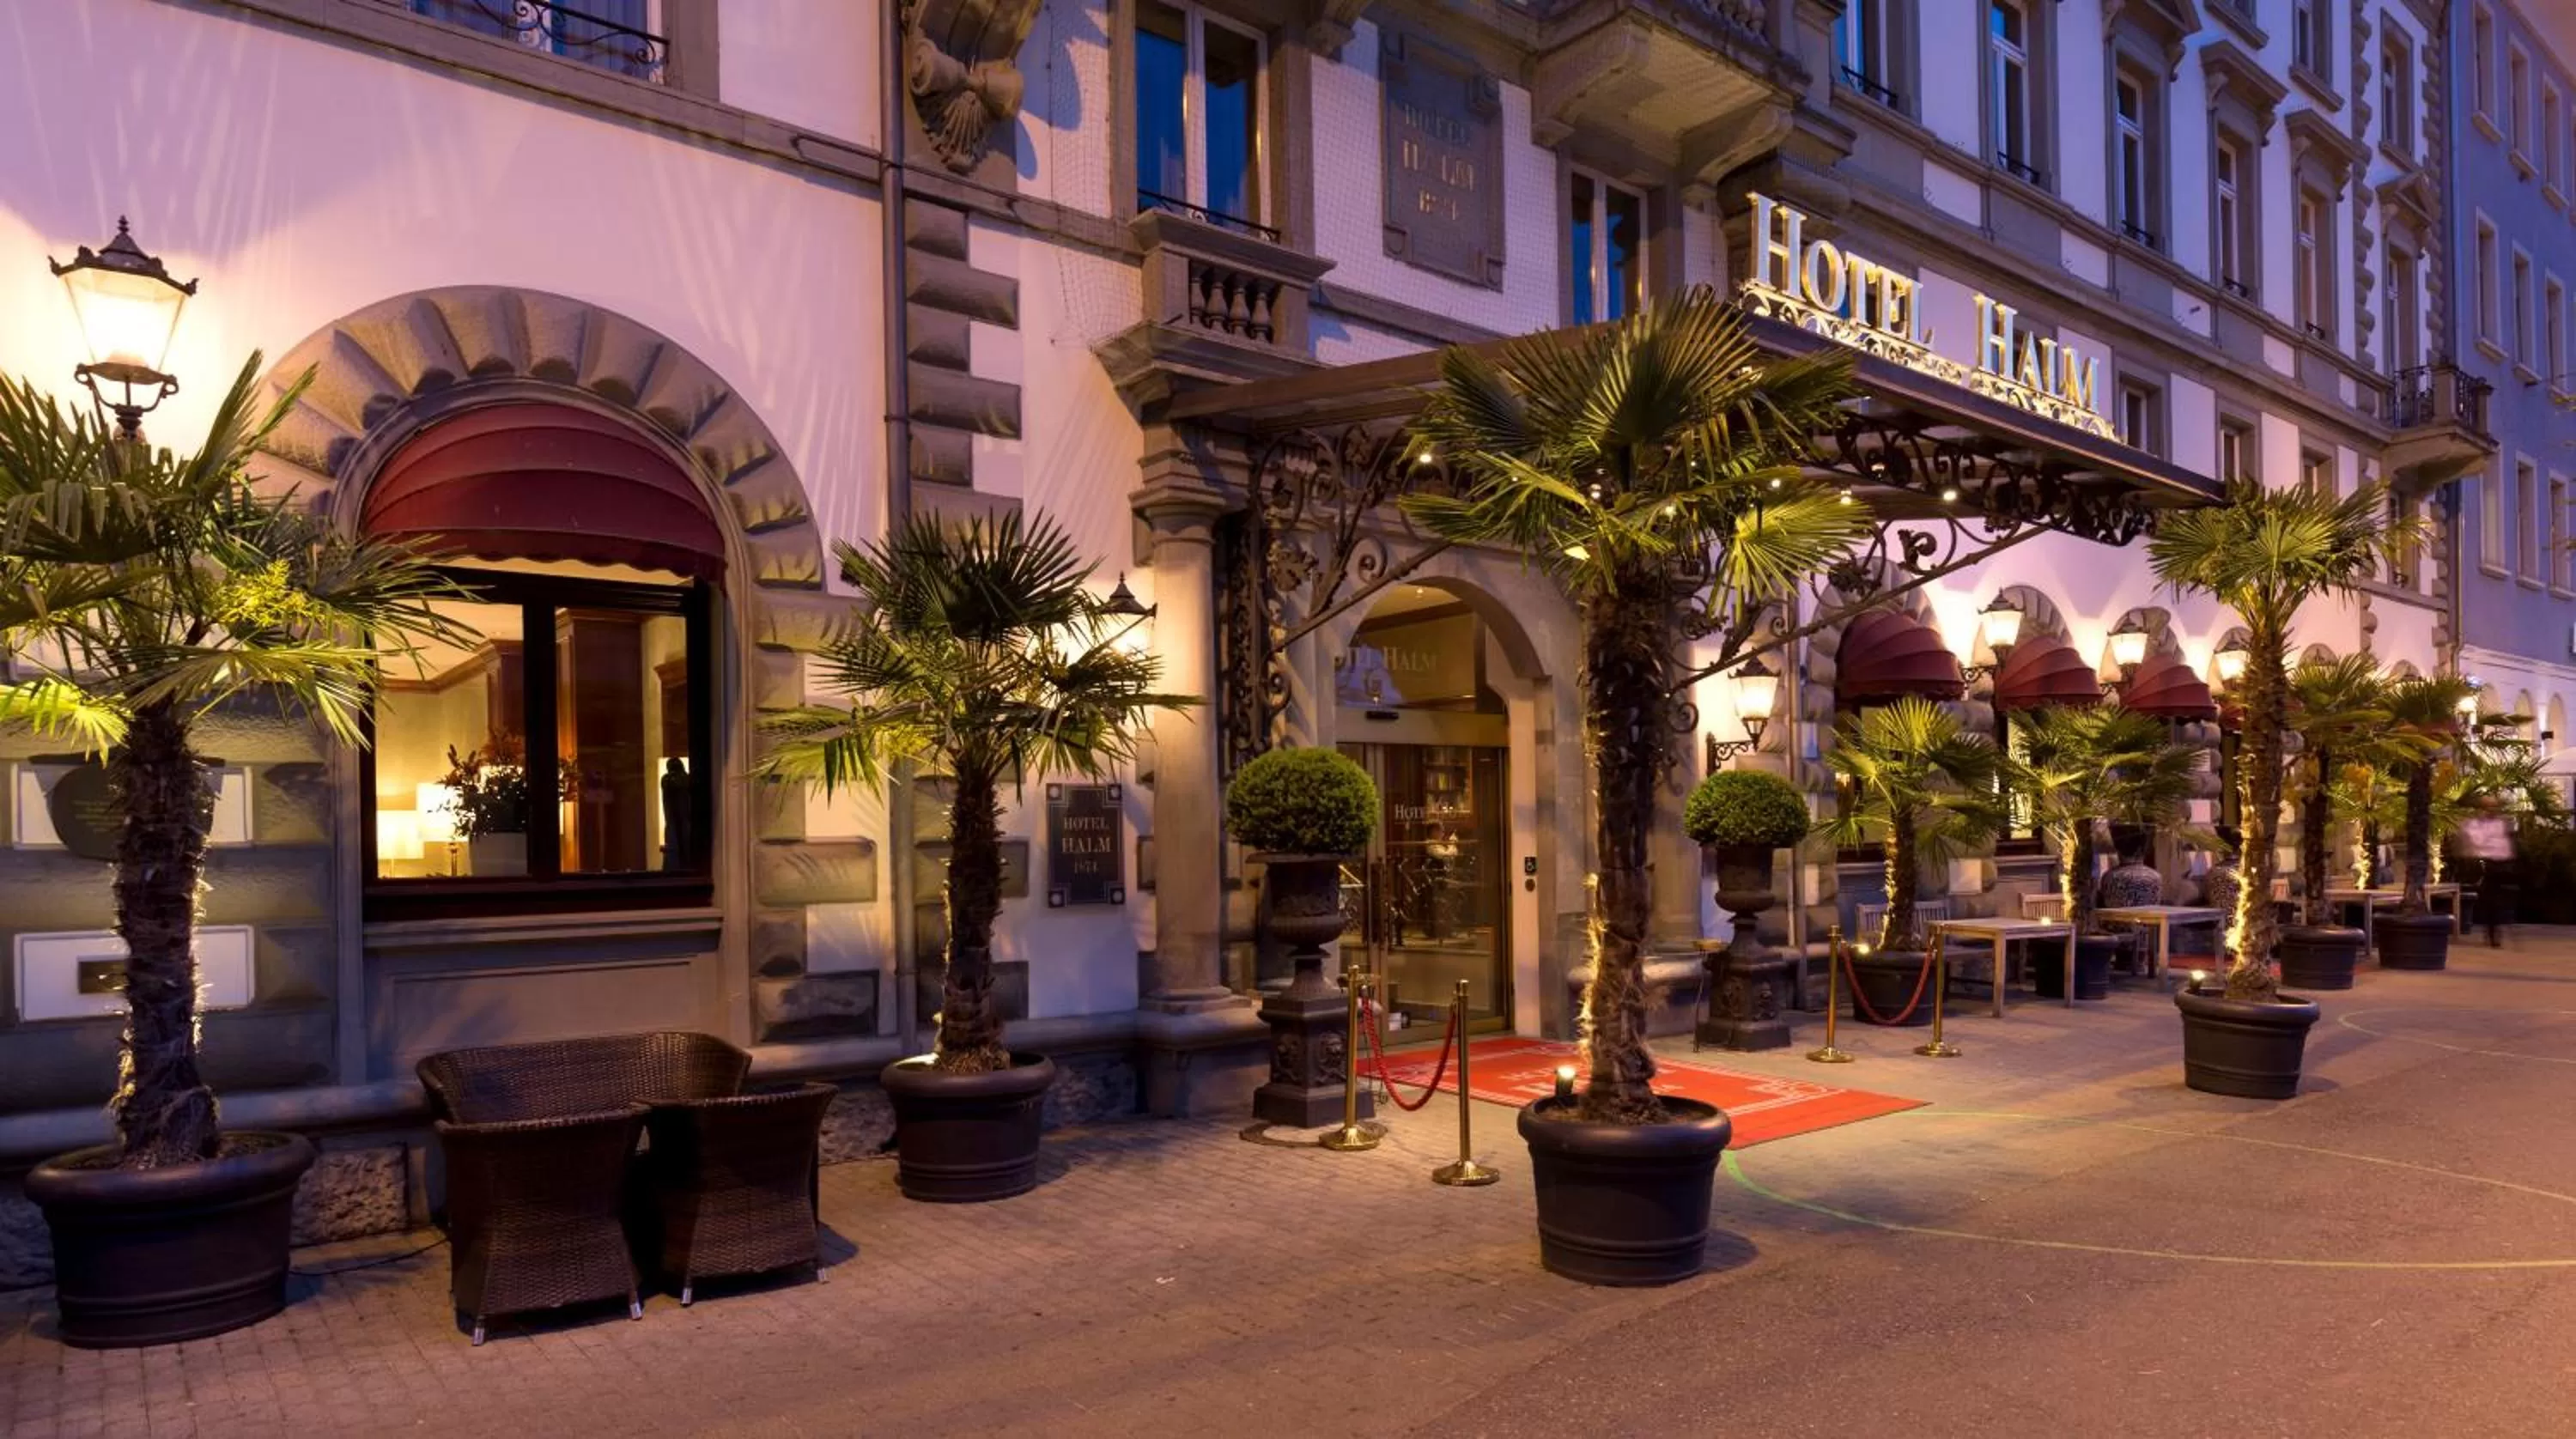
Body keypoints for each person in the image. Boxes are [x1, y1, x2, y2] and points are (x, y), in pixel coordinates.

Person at [2456, 794, 2516, 946]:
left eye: (2494, 806)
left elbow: (2504, 846)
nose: (2492, 810)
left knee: (2497, 900)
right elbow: (2476, 843)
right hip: (2482, 865)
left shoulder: (2500, 824)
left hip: (2501, 865)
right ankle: (2491, 932)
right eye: (2488, 807)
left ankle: (2495, 931)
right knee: (2489, 900)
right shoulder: (2474, 824)